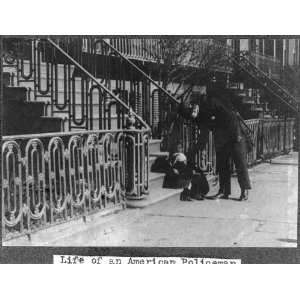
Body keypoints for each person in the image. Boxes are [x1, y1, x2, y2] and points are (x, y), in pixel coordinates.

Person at [177, 86, 252, 201]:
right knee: (222, 164)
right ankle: (223, 191)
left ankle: (244, 191)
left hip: (235, 133)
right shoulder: (202, 111)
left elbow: (231, 116)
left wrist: (236, 135)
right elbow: (203, 125)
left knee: (240, 162)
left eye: (194, 108)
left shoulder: (212, 103)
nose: (194, 111)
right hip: (222, 136)